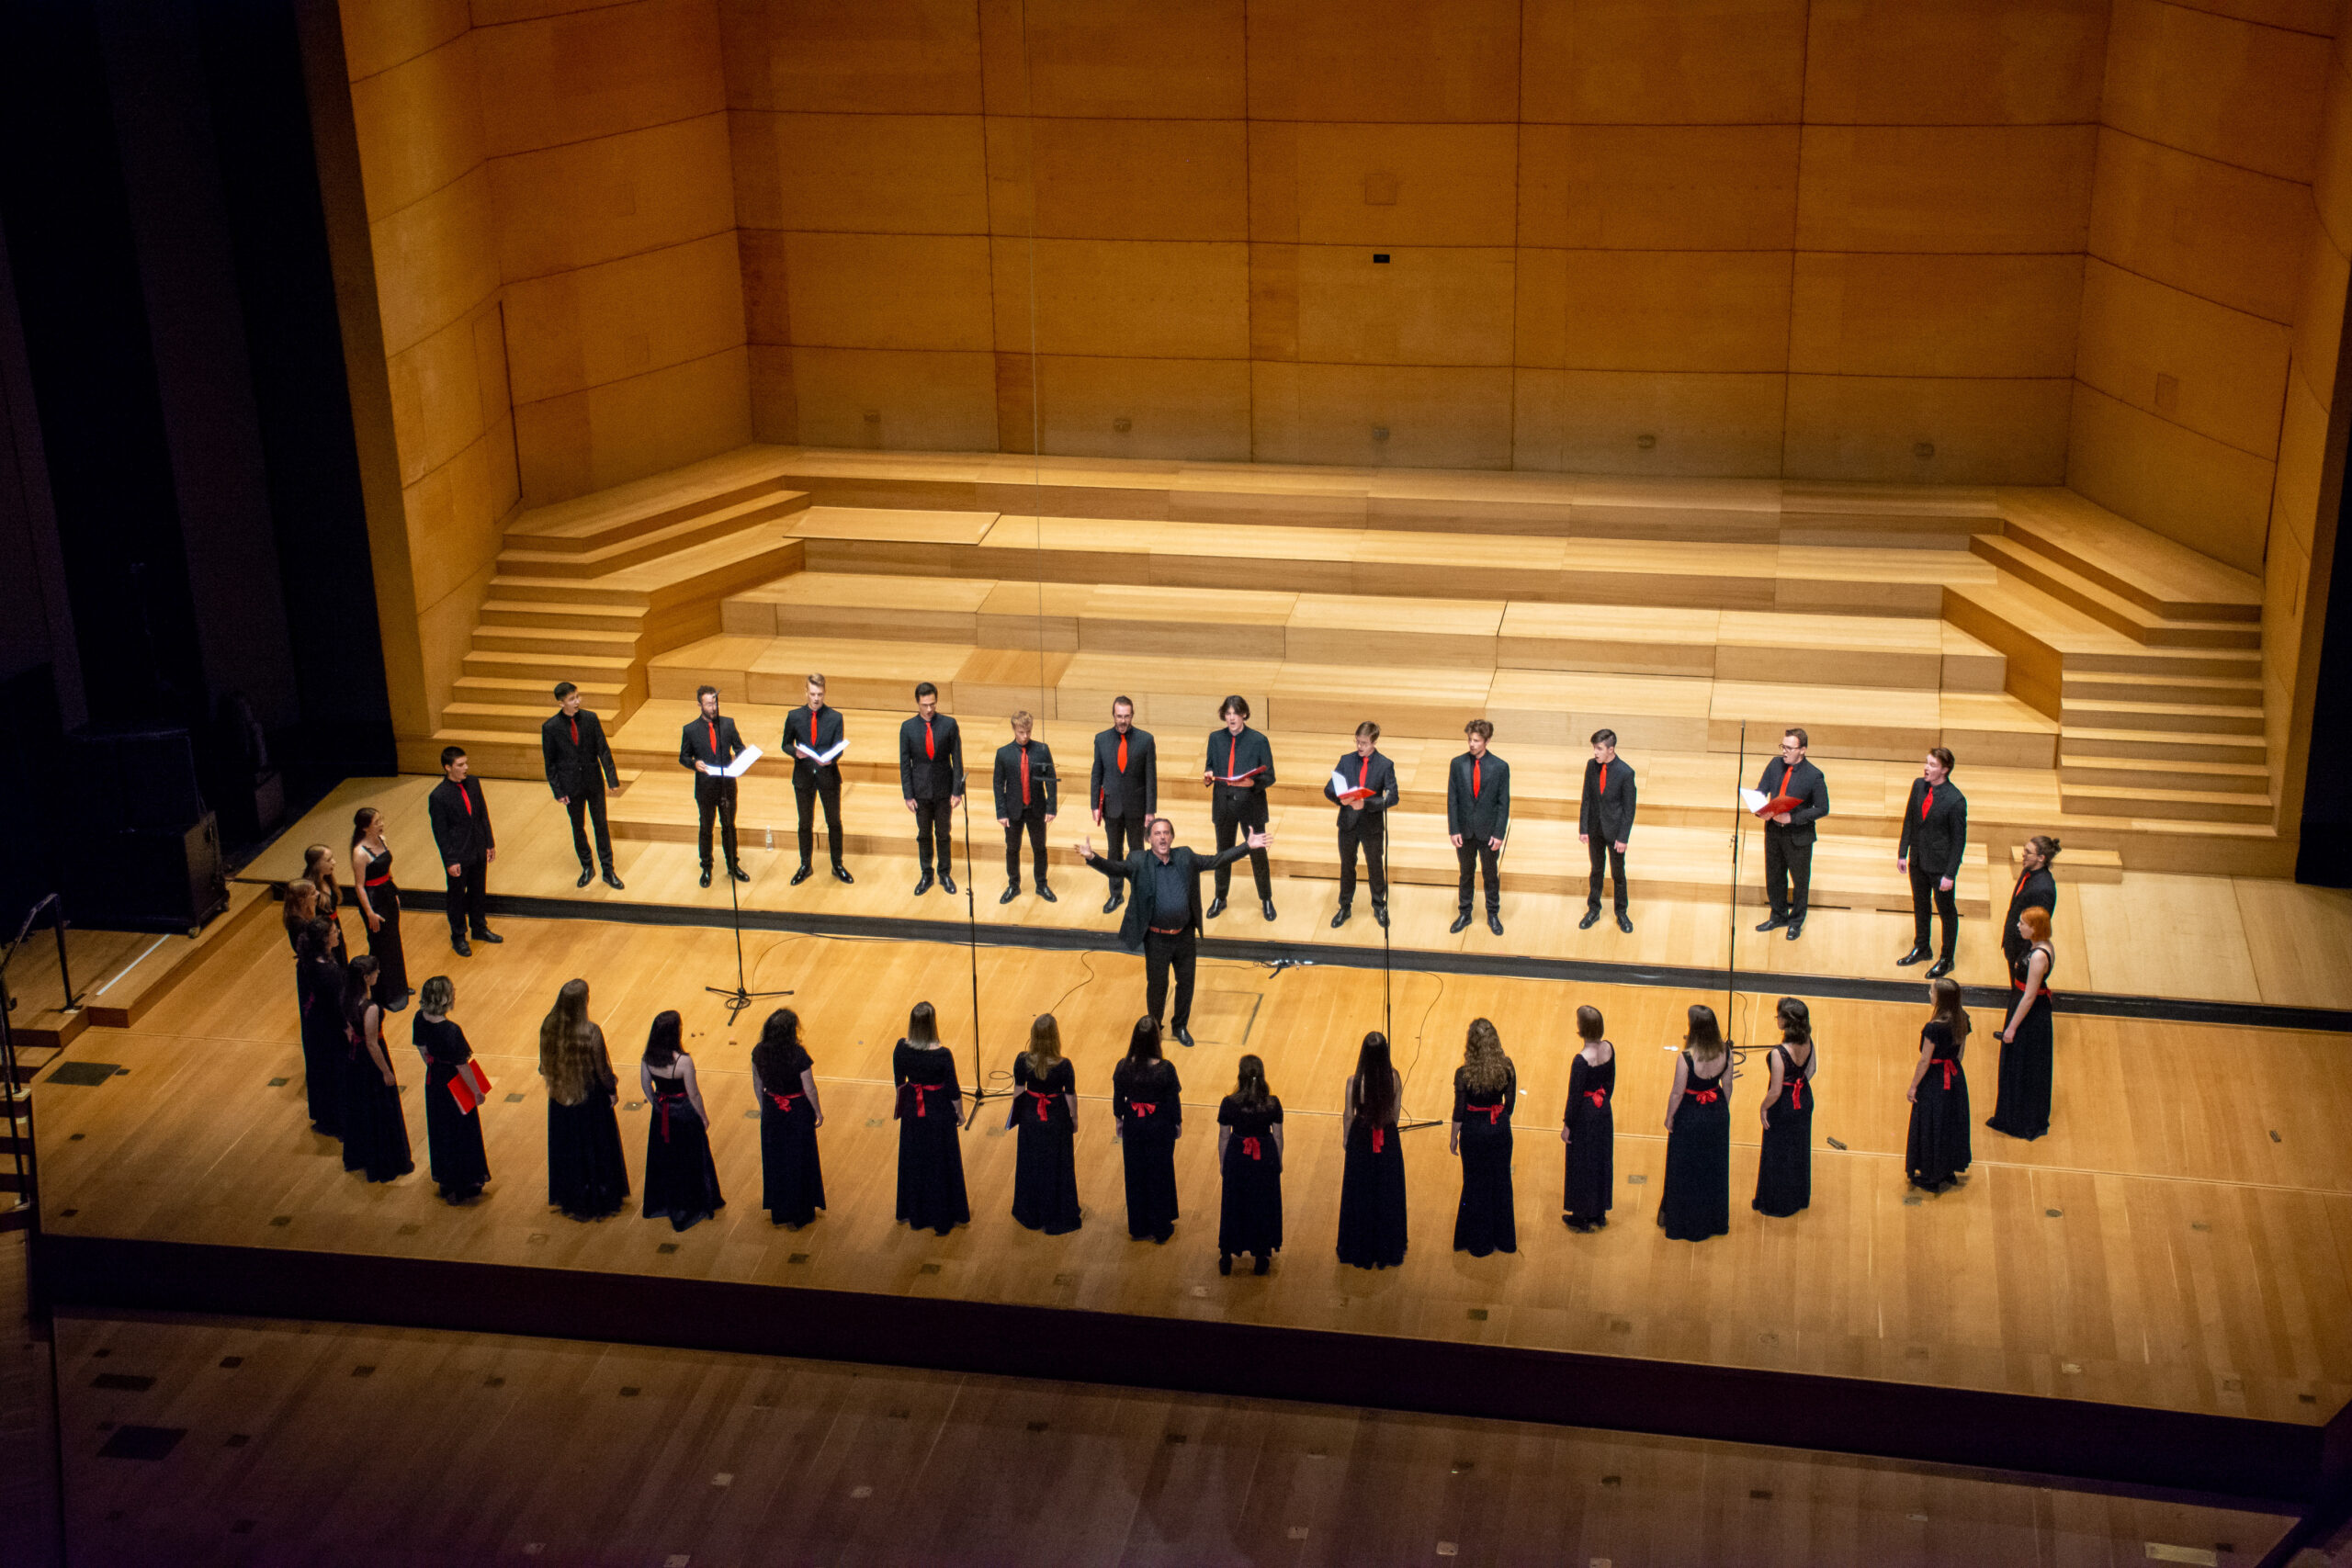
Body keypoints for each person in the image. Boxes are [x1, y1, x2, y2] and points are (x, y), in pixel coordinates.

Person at [1076, 817, 1266, 1047]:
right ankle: (1154, 1028)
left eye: (1166, 833)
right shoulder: (1138, 861)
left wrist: (1247, 846)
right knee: (1157, 986)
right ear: (1148, 840)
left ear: (1172, 837)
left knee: (1186, 983)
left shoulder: (1185, 856)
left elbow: (1216, 860)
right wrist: (1092, 857)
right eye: (1157, 834)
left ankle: (1180, 1026)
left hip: (1184, 936)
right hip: (1156, 938)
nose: (1163, 837)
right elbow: (1115, 868)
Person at [540, 978, 628, 1221]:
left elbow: (542, 1066)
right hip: (590, 1101)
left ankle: (573, 1195)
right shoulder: (591, 1032)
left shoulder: (548, 1026)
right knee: (596, 1148)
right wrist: (612, 1089)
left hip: (560, 1100)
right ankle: (599, 1195)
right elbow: (603, 1071)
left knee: (570, 1150)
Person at [639, 1011, 725, 1232]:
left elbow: (646, 1085)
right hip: (684, 1116)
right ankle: (695, 1202)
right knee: (690, 1158)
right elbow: (693, 1094)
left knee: (666, 1158)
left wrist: (657, 1104)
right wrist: (703, 1116)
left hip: (663, 1115)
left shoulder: (648, 1057)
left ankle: (665, 1201)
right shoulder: (683, 1062)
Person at [893, 1001, 972, 1235]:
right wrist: (960, 1113)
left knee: (915, 1160)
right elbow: (953, 1089)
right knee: (940, 1163)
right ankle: (944, 1214)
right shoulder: (942, 1054)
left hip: (913, 1114)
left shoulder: (901, 1048)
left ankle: (916, 1212)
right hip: (938, 1113)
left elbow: (899, 1083)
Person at [411, 974, 489, 1203]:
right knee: (463, 1131)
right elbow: (462, 1066)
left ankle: (447, 1179)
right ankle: (466, 1181)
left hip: (434, 1081)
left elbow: (423, 1049)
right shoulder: (451, 1030)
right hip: (455, 1084)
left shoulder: (419, 1018)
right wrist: (476, 1091)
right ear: (445, 999)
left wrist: (433, 1067)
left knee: (441, 1129)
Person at [1657, 1003, 1730, 1241]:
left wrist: (1669, 1117)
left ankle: (1684, 1221)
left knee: (1685, 1168)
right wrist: (1720, 1109)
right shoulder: (1725, 1050)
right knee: (1712, 1166)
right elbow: (1727, 1086)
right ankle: (1712, 1220)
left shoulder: (1686, 1057)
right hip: (1716, 1112)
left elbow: (1677, 1093)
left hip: (1690, 1115)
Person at [338, 955, 413, 1184]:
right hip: (371, 1060)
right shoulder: (369, 1008)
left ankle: (362, 1154)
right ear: (366, 977)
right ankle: (386, 1160)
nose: (378, 974)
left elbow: (348, 1030)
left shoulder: (347, 998)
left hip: (355, 1058)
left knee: (361, 1107)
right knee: (379, 1107)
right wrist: (386, 1072)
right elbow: (372, 1043)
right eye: (375, 972)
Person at [543, 681, 624, 890]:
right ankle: (587, 866)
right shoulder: (550, 728)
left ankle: (608, 870)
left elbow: (603, 749)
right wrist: (558, 791)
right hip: (571, 786)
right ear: (561, 703)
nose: (577, 701)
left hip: (593, 782)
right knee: (578, 827)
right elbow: (550, 763)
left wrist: (612, 779)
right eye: (572, 699)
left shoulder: (590, 719)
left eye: (577, 697)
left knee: (601, 825)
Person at [1336, 1032, 1407, 1269]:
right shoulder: (1394, 1078)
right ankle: (1387, 1246)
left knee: (1361, 1192)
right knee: (1387, 1192)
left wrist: (1347, 1139)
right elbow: (1395, 1115)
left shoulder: (1354, 1081)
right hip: (1386, 1138)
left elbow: (1348, 1115)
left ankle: (1359, 1245)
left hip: (1361, 1138)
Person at [1896, 747, 1968, 979]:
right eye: (1927, 763)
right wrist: (1902, 853)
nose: (1927, 768)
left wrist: (1950, 874)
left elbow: (1958, 841)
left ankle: (1947, 958)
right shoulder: (1919, 785)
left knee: (1946, 912)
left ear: (1945, 770)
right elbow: (1910, 819)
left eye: (1933, 765)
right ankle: (1922, 947)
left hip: (1940, 867)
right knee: (1920, 905)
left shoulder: (1955, 800)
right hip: (1918, 860)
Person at [1203, 695, 1276, 920]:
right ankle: (1220, 897)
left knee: (1258, 854)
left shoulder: (1258, 740)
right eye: (1228, 713)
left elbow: (1270, 776)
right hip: (1224, 805)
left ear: (1244, 714)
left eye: (1235, 713)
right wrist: (1208, 774)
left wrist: (1253, 783)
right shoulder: (1215, 739)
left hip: (1250, 806)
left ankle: (1266, 899)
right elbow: (1211, 765)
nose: (1231, 717)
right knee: (1222, 854)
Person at [1752, 728, 1829, 941]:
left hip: (1798, 836)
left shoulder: (1814, 775)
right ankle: (1778, 916)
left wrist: (1792, 818)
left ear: (1802, 750)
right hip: (1774, 832)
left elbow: (1823, 808)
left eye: (1789, 747)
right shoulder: (1775, 765)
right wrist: (1761, 809)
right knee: (1775, 876)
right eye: (1782, 746)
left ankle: (1795, 922)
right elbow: (1761, 791)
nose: (1784, 751)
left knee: (1799, 881)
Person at [1986, 905, 2056, 1140]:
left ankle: (2020, 1118)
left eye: (2023, 923)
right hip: (2023, 1004)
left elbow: (2029, 996)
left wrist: (2012, 1027)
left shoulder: (2038, 956)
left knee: (2023, 1062)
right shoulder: (2038, 946)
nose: (2018, 926)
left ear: (2034, 928)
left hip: (2029, 1013)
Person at [1450, 1018, 1518, 1258]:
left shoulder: (1464, 1073)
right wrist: (1497, 1120)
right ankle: (1504, 1239)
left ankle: (1478, 1241)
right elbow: (1509, 1106)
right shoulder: (1507, 1067)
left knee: (1474, 1183)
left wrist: (1453, 1138)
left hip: (1473, 1132)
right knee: (1500, 1182)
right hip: (1499, 1131)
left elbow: (1459, 1110)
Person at [752, 1009, 825, 1228]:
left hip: (773, 1109)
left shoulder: (759, 1051)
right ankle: (801, 1210)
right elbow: (809, 1088)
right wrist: (818, 1112)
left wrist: (765, 1107)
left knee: (777, 1159)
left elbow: (757, 1083)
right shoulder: (798, 1054)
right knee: (799, 1158)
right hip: (797, 1111)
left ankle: (781, 1209)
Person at [1009, 1014, 1081, 1233]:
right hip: (1056, 1119)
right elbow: (1070, 1096)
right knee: (1057, 1165)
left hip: (1031, 1118)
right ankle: (1057, 1210)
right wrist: (1074, 1119)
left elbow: (1018, 1091)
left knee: (1031, 1164)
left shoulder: (1022, 1060)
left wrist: (1019, 1117)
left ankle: (1031, 1210)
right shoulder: (1064, 1065)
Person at [1112, 1016, 1182, 1243]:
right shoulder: (1164, 1069)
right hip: (1159, 1124)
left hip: (1133, 1123)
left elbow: (1118, 1098)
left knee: (1135, 1173)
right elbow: (1172, 1100)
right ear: (1156, 1040)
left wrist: (1119, 1119)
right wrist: (1177, 1123)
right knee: (1160, 1173)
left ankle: (1139, 1226)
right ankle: (1161, 1226)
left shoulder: (1123, 1066)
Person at [427, 748, 499, 956]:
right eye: (460, 765)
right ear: (447, 767)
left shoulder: (474, 783)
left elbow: (482, 815)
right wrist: (450, 860)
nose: (465, 768)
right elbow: (441, 832)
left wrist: (489, 843)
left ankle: (479, 928)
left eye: (466, 763)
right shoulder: (439, 796)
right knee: (457, 897)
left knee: (478, 891)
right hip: (458, 853)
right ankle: (458, 936)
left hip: (477, 847)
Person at [1216, 1053, 1283, 1275]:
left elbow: (1224, 1136)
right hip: (1264, 1158)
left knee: (1234, 1205)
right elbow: (1278, 1136)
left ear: (1240, 1076)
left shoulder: (1229, 1103)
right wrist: (1278, 1162)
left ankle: (1226, 1255)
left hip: (1237, 1157)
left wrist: (1223, 1163)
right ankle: (1261, 1255)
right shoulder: (1272, 1103)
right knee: (1262, 1205)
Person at [1905, 977, 1973, 1190]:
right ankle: (1947, 1170)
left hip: (1935, 1079)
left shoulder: (1934, 1027)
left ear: (1941, 999)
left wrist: (1914, 1085)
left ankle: (1931, 1173)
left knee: (1931, 1124)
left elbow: (1925, 1060)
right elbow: (1960, 1054)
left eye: (1932, 991)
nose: (1929, 994)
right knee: (1950, 1124)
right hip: (1955, 1078)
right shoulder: (1962, 1018)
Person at [679, 685, 751, 888]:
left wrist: (740, 756)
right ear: (699, 705)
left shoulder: (727, 724)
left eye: (715, 702)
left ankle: (732, 865)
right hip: (706, 787)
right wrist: (694, 764)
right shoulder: (690, 730)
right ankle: (707, 868)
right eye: (709, 703)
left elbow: (740, 747)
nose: (713, 707)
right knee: (706, 828)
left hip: (727, 785)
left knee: (729, 826)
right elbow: (683, 757)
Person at [1328, 720, 1397, 930]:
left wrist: (1365, 803)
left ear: (1374, 742)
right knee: (1347, 866)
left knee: (1375, 866)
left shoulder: (1385, 765)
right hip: (1348, 824)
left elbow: (1392, 798)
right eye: (1358, 742)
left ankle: (1379, 905)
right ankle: (1345, 906)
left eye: (1364, 743)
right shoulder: (1346, 760)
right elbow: (1329, 788)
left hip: (1371, 825)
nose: (1360, 747)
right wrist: (1340, 798)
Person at [1752, 997, 1817, 1218]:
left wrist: (1763, 1107)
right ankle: (1797, 1197)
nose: (1776, 1018)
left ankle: (1777, 1202)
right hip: (1803, 1100)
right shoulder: (1809, 1041)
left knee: (1778, 1153)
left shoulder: (1778, 1053)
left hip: (1784, 1106)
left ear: (1786, 1021)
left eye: (1778, 1015)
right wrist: (1799, 1084)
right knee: (1797, 1150)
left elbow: (1776, 1090)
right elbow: (1811, 1071)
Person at [1090, 697, 1157, 913]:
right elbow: (1096, 773)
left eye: (1127, 716)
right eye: (1119, 716)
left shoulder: (1146, 740)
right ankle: (1116, 894)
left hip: (1137, 809)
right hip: (1111, 807)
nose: (1123, 720)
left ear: (1132, 715)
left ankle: (1140, 895)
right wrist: (1094, 804)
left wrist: (1150, 810)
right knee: (1114, 852)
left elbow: (1151, 778)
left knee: (1137, 853)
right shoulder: (1101, 740)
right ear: (1113, 715)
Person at [784, 673, 851, 885]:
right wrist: (796, 753)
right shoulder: (794, 716)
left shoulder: (834, 717)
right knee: (805, 822)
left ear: (825, 693)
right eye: (812, 694)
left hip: (828, 775)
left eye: (820, 694)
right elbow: (785, 744)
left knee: (834, 822)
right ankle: (805, 864)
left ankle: (837, 864)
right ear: (806, 692)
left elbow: (838, 747)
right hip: (803, 776)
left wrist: (831, 759)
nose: (816, 698)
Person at [899, 682, 963, 897]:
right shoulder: (908, 728)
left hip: (944, 790)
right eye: (925, 704)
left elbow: (957, 759)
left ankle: (944, 872)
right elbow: (904, 763)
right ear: (918, 702)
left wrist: (957, 791)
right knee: (924, 834)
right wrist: (908, 795)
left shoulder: (949, 724)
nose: (929, 709)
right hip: (921, 791)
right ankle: (927, 873)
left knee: (943, 833)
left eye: (932, 704)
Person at [1447, 719, 1510, 936]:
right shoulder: (1457, 764)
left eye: (1476, 740)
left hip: (1488, 832)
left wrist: (1499, 833)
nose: (1472, 744)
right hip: (1464, 831)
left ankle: (1492, 913)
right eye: (1470, 740)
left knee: (1490, 875)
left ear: (1487, 741)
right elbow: (1452, 799)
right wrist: (1453, 829)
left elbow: (1504, 803)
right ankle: (1465, 912)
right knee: (1466, 874)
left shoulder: (1500, 767)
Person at [992, 712, 1057, 903]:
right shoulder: (1003, 754)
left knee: (1039, 848)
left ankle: (1041, 884)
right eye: (1021, 732)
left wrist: (1051, 807)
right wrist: (1001, 812)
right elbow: (998, 784)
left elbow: (1050, 780)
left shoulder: (1042, 750)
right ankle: (1013, 885)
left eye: (1028, 731)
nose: (1025, 736)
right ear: (1014, 729)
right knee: (1012, 848)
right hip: (1013, 811)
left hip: (1037, 808)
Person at [349, 807, 410, 1011]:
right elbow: (359, 886)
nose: (381, 824)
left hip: (386, 894)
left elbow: (387, 870)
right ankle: (385, 992)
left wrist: (394, 893)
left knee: (394, 941)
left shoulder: (383, 840)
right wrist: (369, 913)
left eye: (380, 820)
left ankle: (399, 986)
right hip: (373, 901)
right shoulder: (359, 853)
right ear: (365, 827)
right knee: (380, 944)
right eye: (376, 822)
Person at [1560, 1005, 1614, 1231]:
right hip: (1603, 1111)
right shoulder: (1609, 1048)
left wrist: (1567, 1125)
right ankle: (1599, 1212)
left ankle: (1581, 1214)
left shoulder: (1581, 1060)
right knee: (1601, 1159)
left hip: (1585, 1115)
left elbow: (1574, 1096)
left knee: (1581, 1163)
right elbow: (1610, 1083)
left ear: (1581, 1029)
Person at [1578, 728, 1637, 933]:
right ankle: (1593, 909)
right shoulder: (1591, 766)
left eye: (1599, 748)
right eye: (1595, 748)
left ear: (1611, 749)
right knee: (1596, 871)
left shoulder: (1625, 772)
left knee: (1618, 874)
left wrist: (1623, 837)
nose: (1595, 752)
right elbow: (1586, 798)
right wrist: (1583, 828)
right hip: (1595, 829)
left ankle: (1621, 912)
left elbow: (1629, 810)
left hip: (1615, 833)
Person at [293, 914, 345, 1138]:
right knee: (335, 1071)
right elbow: (337, 1006)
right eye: (334, 932)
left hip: (315, 1025)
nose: (338, 934)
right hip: (330, 1029)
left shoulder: (306, 961)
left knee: (320, 1069)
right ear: (325, 939)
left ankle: (326, 1116)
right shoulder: (328, 972)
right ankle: (337, 1119)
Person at [2003, 835, 2061, 970]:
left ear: (2041, 858)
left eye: (2028, 852)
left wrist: (2023, 956)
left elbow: (2038, 928)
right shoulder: (2028, 871)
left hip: (2023, 952)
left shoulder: (2044, 889)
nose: (2023, 854)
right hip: (2013, 945)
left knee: (2020, 990)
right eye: (2025, 850)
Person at [299, 844, 350, 963]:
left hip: (334, 928)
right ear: (316, 864)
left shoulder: (327, 880)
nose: (334, 862)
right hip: (323, 936)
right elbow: (308, 919)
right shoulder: (309, 889)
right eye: (328, 860)